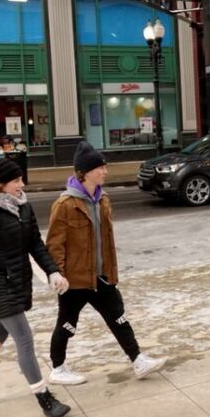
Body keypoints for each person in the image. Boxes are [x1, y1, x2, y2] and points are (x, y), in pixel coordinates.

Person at [46, 142, 165, 385]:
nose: (105, 171)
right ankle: (57, 368)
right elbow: (54, 244)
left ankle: (138, 360)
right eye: (100, 167)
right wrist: (56, 274)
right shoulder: (65, 205)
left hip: (100, 276)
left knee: (119, 318)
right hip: (75, 279)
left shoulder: (103, 200)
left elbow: (107, 242)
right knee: (67, 324)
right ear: (85, 172)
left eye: (104, 166)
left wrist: (111, 272)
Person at [0, 157, 72, 417]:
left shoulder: (23, 207)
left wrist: (53, 271)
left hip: (18, 283)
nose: (21, 184)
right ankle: (44, 398)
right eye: (16, 180)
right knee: (24, 339)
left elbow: (35, 243)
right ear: (0, 185)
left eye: (21, 179)